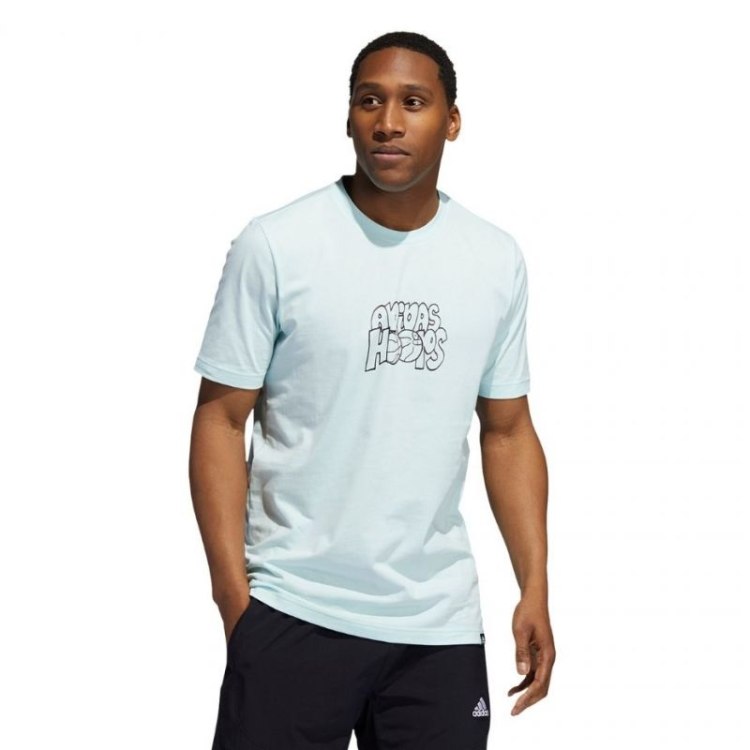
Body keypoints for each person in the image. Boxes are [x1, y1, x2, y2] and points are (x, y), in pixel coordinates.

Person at [189, 30, 555, 750]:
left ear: (452, 120)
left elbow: (508, 430)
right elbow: (221, 422)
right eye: (370, 101)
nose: (388, 122)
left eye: (414, 102)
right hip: (295, 607)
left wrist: (534, 584)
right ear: (350, 116)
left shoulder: (494, 258)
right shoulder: (278, 244)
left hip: (438, 626)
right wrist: (235, 602)